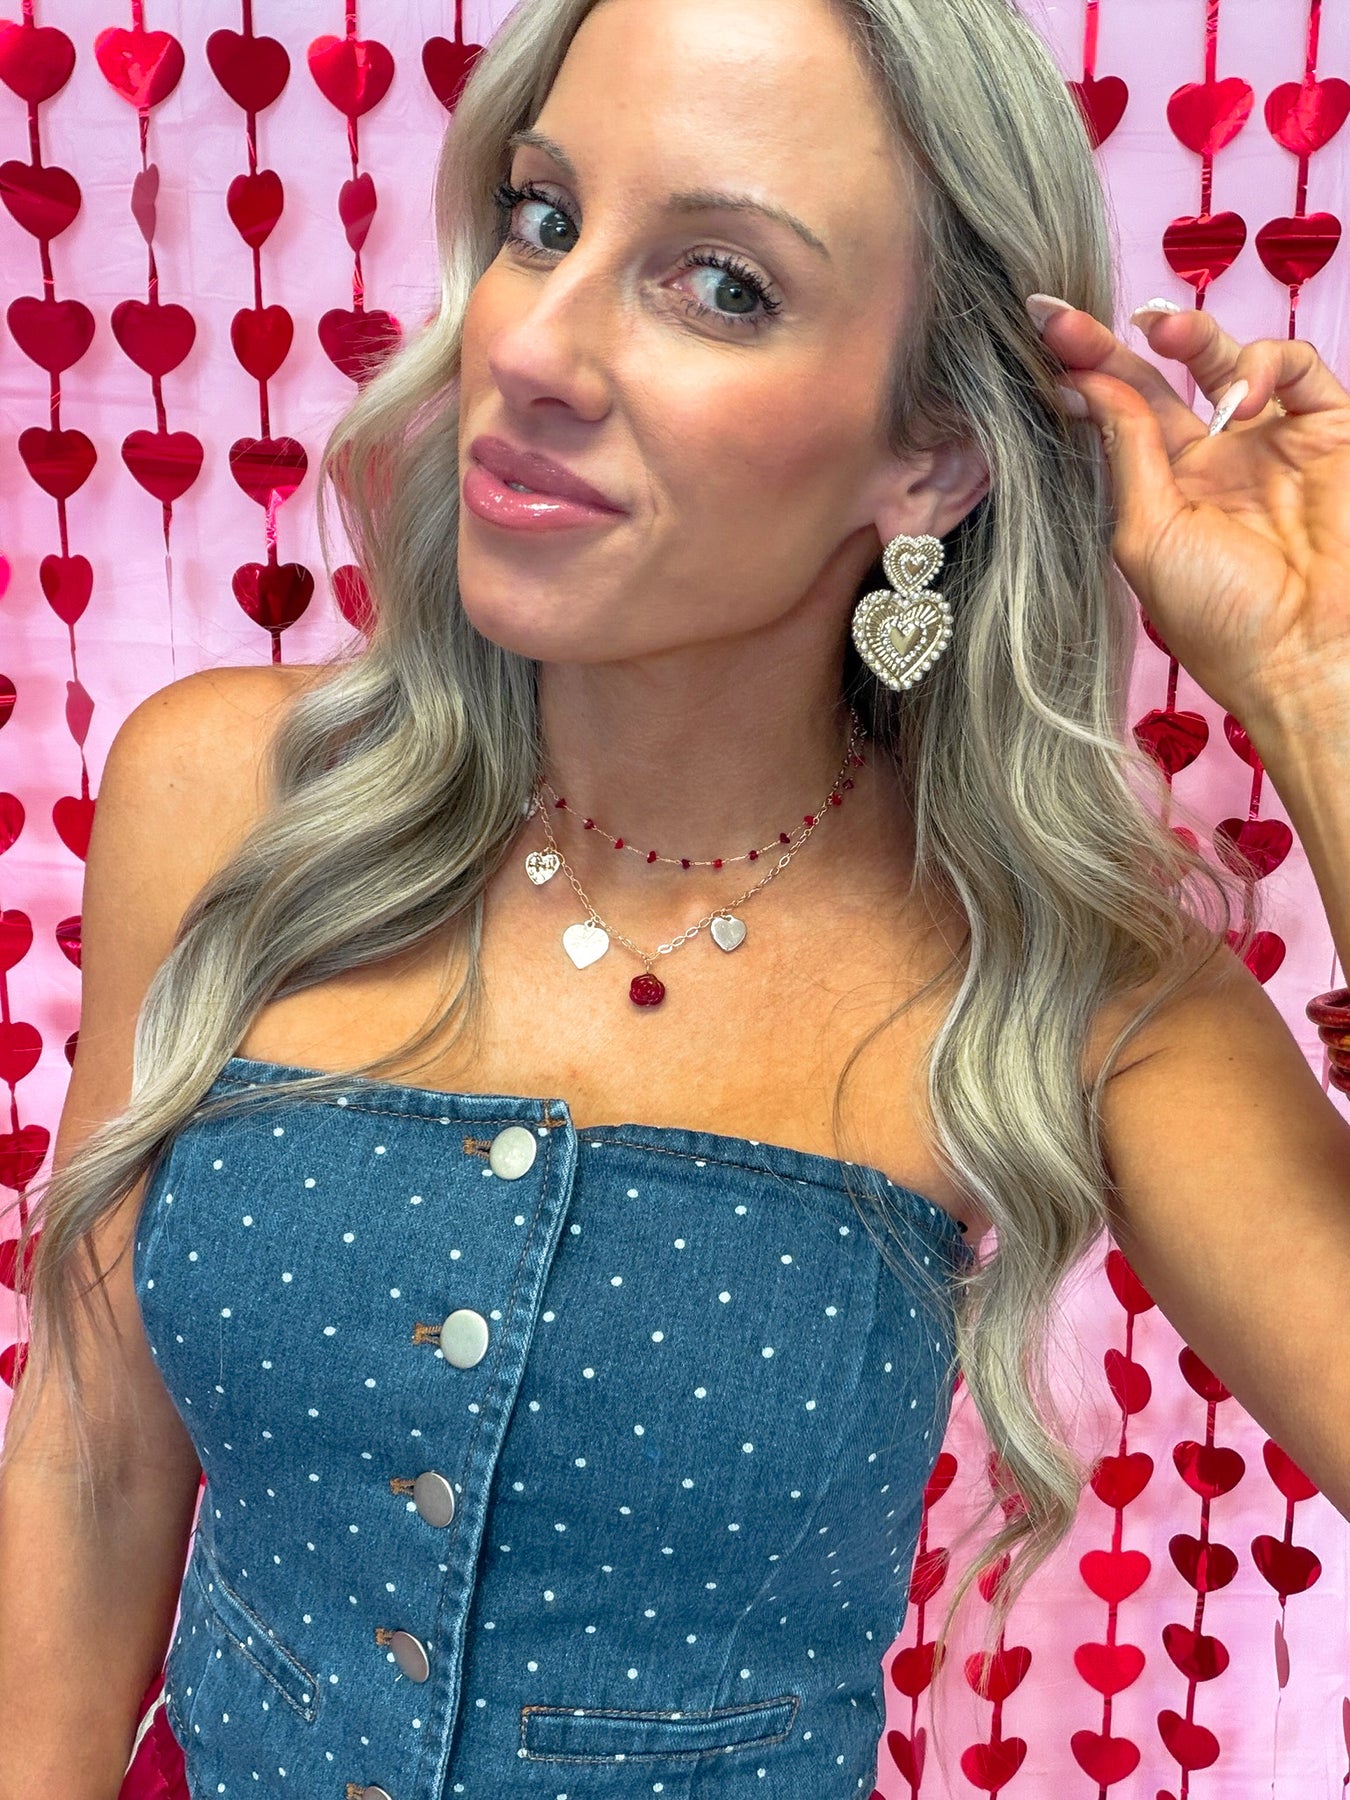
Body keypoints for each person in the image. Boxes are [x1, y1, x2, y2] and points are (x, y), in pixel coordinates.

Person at [3, 0, 1349, 1793]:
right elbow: (91, 1458)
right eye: (544, 218)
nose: (532, 344)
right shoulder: (227, 794)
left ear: (930, 454)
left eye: (721, 285)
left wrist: (1320, 688)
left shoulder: (1077, 981)